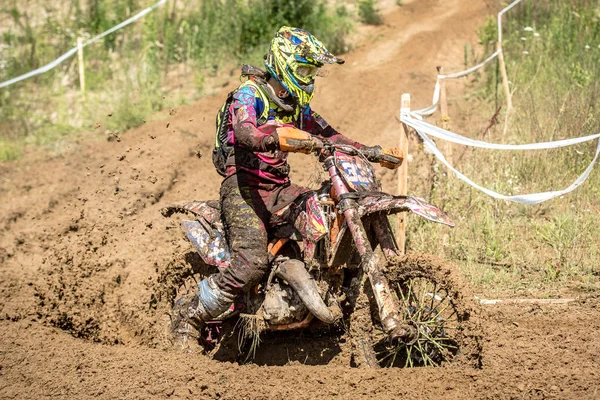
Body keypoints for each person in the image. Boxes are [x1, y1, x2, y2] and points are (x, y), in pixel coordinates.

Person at [171, 26, 402, 341]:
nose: (308, 77)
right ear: (284, 64)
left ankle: (320, 296)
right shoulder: (250, 93)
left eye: (311, 71)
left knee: (325, 218)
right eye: (304, 69)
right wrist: (281, 138)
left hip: (280, 189)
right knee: (252, 260)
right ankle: (191, 316)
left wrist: (372, 152)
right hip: (243, 189)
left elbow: (331, 136)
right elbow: (244, 132)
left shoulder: (295, 105)